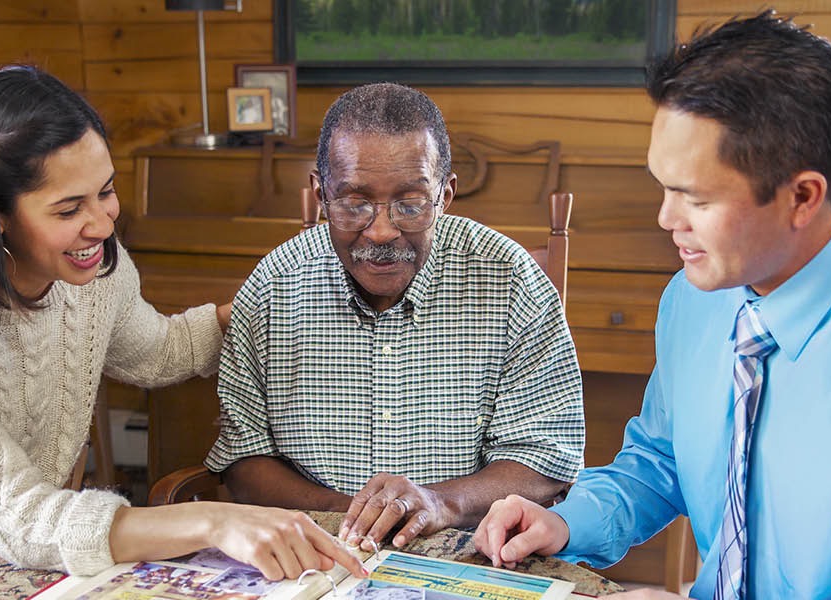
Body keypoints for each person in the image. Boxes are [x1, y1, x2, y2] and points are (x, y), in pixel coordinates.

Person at [474, 12, 831, 599]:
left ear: (802, 197)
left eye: (696, 198)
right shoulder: (694, 300)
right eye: (663, 185)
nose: (666, 219)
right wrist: (565, 522)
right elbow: (661, 461)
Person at [0, 65, 364, 594]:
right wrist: (217, 520)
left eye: (105, 191)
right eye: (68, 208)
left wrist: (262, 306)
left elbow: (157, 351)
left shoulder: (89, 264)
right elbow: (24, 518)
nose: (103, 225)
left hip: (11, 567)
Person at [204, 83, 585, 551]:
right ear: (320, 194)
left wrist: (439, 504)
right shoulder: (274, 283)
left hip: (467, 560)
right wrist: (360, 518)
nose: (381, 231)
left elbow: (547, 460)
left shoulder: (510, 279)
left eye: (410, 204)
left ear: (445, 195)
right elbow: (243, 461)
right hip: (315, 554)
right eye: (354, 204)